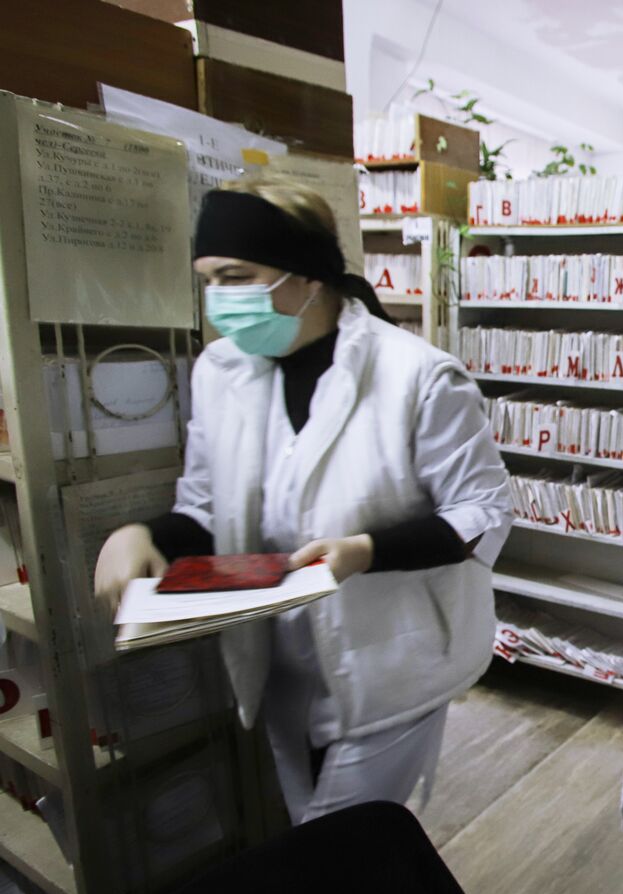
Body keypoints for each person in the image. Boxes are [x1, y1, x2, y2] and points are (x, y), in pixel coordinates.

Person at [93, 178, 513, 824]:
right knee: (310, 828)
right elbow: (205, 507)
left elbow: (482, 513)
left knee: (341, 841)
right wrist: (143, 535)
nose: (219, 299)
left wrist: (364, 552)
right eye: (209, 280)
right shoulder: (221, 371)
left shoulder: (416, 376)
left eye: (237, 277)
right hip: (280, 659)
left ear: (308, 274)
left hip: (393, 662)